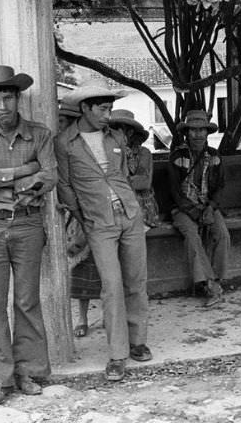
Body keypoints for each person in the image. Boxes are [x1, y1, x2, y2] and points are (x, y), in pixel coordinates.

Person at [0, 65, 56, 405]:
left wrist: (5, 178)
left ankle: (28, 372)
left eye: (7, 98)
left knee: (26, 300)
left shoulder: (40, 134)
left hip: (28, 224)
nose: (1, 106)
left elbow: (49, 178)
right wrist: (24, 171)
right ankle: (2, 380)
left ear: (18, 99)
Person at [56, 85, 152, 382]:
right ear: (85, 108)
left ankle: (137, 342)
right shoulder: (65, 142)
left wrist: (131, 206)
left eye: (110, 109)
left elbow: (121, 174)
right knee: (111, 287)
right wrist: (84, 218)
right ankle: (117, 355)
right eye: (102, 109)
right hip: (98, 223)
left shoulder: (116, 136)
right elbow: (64, 185)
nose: (107, 115)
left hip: (130, 216)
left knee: (136, 281)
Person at [168, 110, 230, 308]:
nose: (197, 135)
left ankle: (217, 280)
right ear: (187, 133)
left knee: (222, 234)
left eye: (201, 130)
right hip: (183, 209)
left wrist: (210, 209)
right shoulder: (177, 156)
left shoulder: (214, 156)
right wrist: (195, 212)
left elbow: (220, 187)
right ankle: (209, 284)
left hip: (208, 206)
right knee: (192, 235)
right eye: (193, 130)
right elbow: (175, 192)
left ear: (207, 132)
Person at [56, 102, 102, 339]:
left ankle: (107, 315)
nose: (60, 126)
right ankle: (82, 318)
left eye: (64, 122)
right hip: (70, 215)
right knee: (80, 270)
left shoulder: (90, 145)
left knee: (102, 268)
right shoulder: (56, 148)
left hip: (93, 211)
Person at [109, 109, 160, 227]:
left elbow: (143, 182)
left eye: (116, 130)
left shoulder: (143, 153)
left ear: (130, 132)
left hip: (142, 208)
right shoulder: (108, 151)